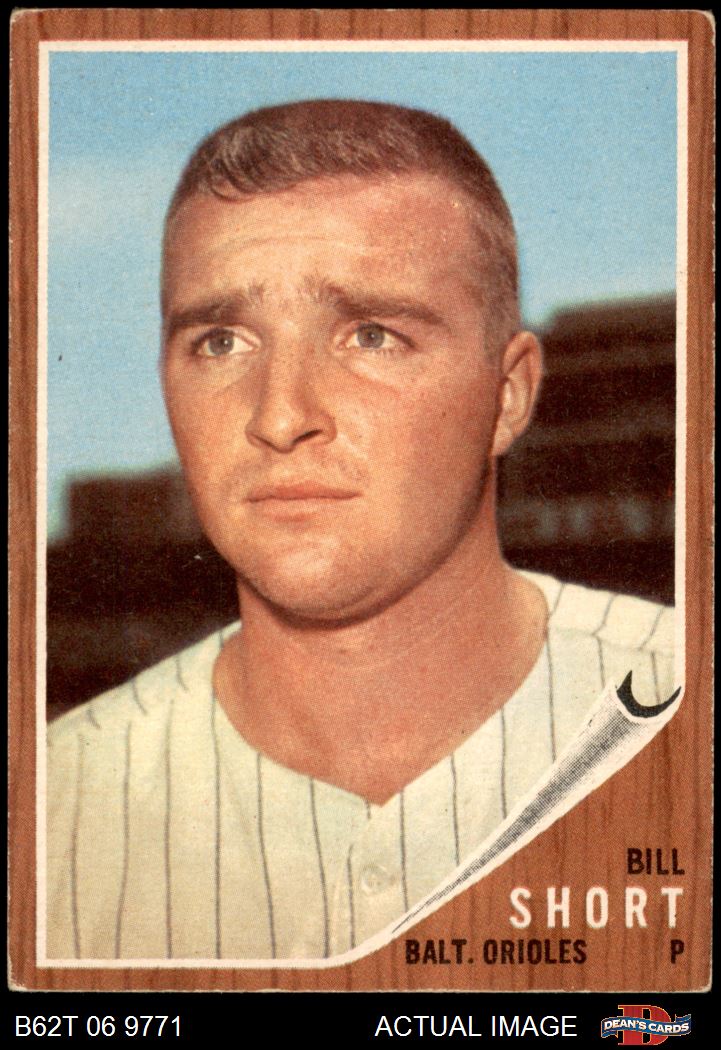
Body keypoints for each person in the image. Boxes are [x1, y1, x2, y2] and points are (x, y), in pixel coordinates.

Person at [46, 100, 675, 962]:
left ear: (508, 395)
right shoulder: (51, 804)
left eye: (370, 335)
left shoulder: (685, 707)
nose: (279, 417)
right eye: (221, 342)